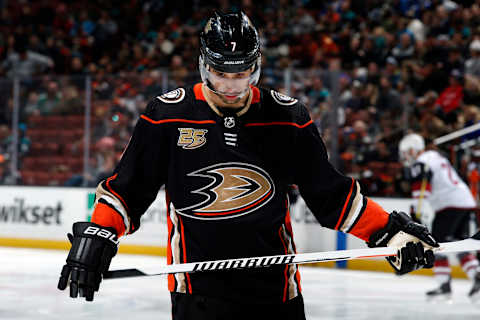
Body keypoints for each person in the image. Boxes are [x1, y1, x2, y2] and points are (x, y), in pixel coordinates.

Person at [57, 12, 438, 319]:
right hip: (197, 293)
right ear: (204, 66)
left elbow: (331, 196)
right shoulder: (166, 115)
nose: (231, 86)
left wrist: (387, 233)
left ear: (254, 68)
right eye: (221, 74)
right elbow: (128, 189)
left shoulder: (288, 117)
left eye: (240, 74)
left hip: (275, 291)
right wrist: (99, 233)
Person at [399, 133, 480, 301]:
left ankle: (444, 285)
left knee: (435, 244)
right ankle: (477, 278)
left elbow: (421, 191)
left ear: (413, 150)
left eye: (406, 152)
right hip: (465, 202)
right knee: (459, 243)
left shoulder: (421, 162)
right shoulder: (435, 156)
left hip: (449, 205)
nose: (405, 157)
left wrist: (416, 214)